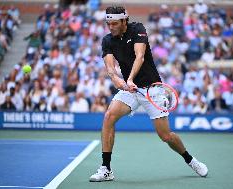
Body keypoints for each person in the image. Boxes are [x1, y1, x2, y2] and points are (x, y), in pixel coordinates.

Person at [89, 6, 208, 182]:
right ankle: (106, 169)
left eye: (114, 23)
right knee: (109, 117)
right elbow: (111, 69)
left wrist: (129, 79)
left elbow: (140, 57)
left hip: (151, 89)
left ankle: (190, 160)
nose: (111, 27)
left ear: (124, 20)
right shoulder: (108, 40)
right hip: (130, 90)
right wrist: (119, 82)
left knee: (165, 136)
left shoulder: (138, 29)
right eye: (108, 24)